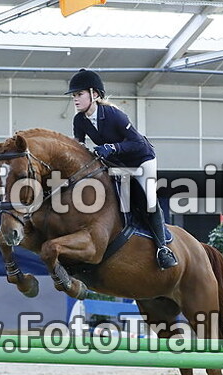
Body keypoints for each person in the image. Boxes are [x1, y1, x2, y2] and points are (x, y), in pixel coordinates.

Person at [65, 68, 177, 270]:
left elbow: (137, 143)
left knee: (149, 200)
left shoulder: (114, 115)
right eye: (74, 95)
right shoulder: (79, 120)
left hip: (142, 159)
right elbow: (78, 147)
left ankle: (163, 249)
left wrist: (112, 147)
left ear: (94, 94)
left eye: (79, 94)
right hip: (117, 163)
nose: (75, 99)